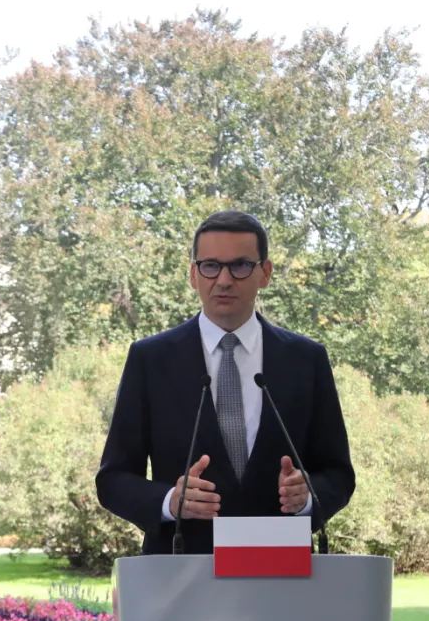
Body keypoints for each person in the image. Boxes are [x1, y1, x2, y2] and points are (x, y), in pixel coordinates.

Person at [96, 211, 355, 554]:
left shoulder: (306, 360)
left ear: (265, 273)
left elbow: (338, 474)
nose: (224, 280)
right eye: (210, 266)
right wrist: (170, 501)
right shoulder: (150, 359)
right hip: (181, 566)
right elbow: (113, 479)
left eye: (241, 266)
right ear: (193, 274)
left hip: (281, 564)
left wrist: (308, 496)